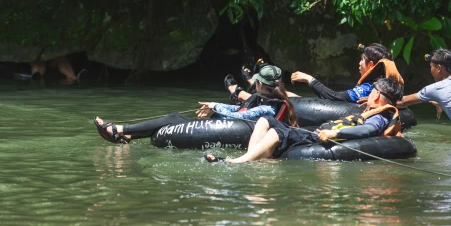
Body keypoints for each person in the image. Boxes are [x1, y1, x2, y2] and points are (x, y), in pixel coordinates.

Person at [205, 76, 404, 163]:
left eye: (373, 92)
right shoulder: (372, 110)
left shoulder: (380, 116)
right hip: (316, 132)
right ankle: (251, 159)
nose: (369, 95)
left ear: (377, 96)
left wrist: (335, 132)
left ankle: (235, 162)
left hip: (323, 137)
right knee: (266, 120)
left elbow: (365, 131)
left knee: (277, 132)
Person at [94, 65, 298, 144]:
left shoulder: (271, 107)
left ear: (261, 84)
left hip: (237, 131)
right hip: (223, 125)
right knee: (174, 118)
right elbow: (237, 109)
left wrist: (217, 108)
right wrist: (214, 105)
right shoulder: (262, 98)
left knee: (173, 118)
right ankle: (127, 134)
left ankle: (120, 129)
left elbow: (242, 117)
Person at [290, 43, 403, 103]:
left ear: (371, 65)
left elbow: (334, 97)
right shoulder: (385, 87)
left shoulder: (368, 88)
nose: (359, 63)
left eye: (362, 59)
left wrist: (309, 79)